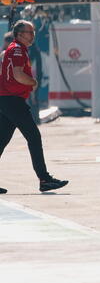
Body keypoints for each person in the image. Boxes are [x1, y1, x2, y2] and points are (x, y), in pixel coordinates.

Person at [0, 20, 68, 194]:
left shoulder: (18, 49)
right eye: (29, 32)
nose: (33, 35)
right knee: (34, 137)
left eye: (33, 31)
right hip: (11, 100)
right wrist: (33, 82)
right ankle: (44, 179)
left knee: (1, 141)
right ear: (20, 34)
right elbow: (17, 74)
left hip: (8, 100)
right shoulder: (16, 49)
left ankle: (44, 179)